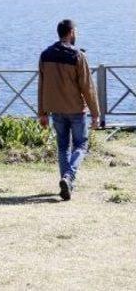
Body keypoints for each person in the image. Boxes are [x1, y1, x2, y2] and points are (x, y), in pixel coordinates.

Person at [38, 19, 100, 201]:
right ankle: (69, 177)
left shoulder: (45, 55)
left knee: (63, 146)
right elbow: (87, 87)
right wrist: (96, 114)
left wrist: (42, 112)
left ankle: (66, 182)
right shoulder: (78, 56)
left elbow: (42, 85)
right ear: (71, 32)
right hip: (76, 109)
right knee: (81, 144)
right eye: (76, 31)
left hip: (55, 109)